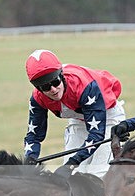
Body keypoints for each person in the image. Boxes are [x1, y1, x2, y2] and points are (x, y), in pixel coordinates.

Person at [23, 49, 125, 177]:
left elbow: (97, 135)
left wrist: (71, 164)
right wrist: (30, 159)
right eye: (45, 87)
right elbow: (33, 136)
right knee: (72, 177)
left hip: (107, 117)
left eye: (55, 82)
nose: (53, 89)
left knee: (98, 174)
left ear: (61, 75)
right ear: (38, 88)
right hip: (79, 120)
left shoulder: (84, 86)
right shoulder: (37, 99)